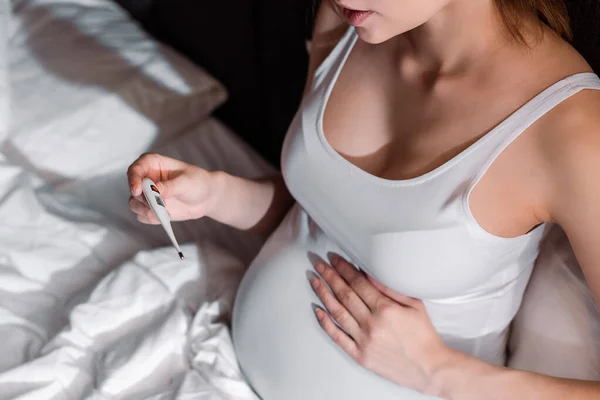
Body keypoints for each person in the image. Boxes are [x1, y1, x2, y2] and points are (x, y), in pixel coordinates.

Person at [127, 0, 600, 398]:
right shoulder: (352, 18)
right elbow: (329, 218)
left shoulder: (570, 132)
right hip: (226, 369)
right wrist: (216, 194)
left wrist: (440, 372)